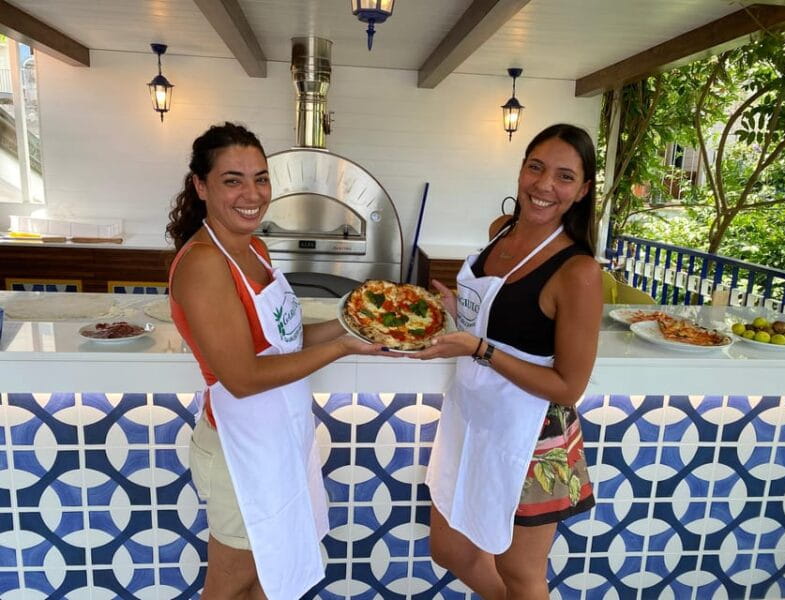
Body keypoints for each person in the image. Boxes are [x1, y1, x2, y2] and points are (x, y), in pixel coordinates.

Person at [166, 122, 388, 600]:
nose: (252, 193)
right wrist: (343, 347)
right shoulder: (205, 262)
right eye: (233, 180)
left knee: (269, 583)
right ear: (201, 186)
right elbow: (243, 377)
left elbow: (283, 342)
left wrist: (355, 324)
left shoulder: (255, 249)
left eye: (260, 178)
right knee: (229, 587)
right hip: (239, 452)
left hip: (279, 441)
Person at [412, 123, 602, 600]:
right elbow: (502, 315)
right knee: (450, 548)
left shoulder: (578, 272)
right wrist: (460, 312)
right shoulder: (502, 231)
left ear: (581, 191)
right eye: (535, 167)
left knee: (520, 576)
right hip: (474, 419)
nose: (543, 185)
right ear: (521, 170)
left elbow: (567, 387)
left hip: (532, 438)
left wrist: (479, 350)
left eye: (563, 176)